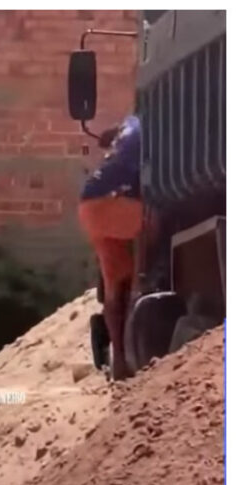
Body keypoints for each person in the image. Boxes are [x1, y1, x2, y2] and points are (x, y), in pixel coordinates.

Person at [78, 115, 143, 380]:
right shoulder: (161, 119)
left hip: (90, 203)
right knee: (153, 235)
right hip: (122, 203)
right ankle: (143, 288)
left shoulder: (130, 126)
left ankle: (119, 360)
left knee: (114, 283)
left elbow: (107, 138)